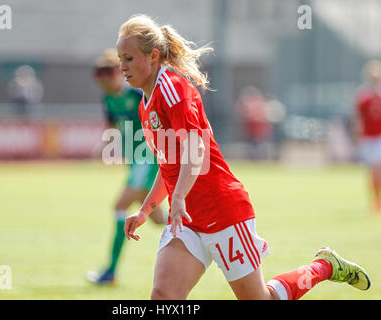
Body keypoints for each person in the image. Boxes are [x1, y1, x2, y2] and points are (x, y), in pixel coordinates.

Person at [118, 14, 370, 300]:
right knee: (163, 297)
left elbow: (196, 148)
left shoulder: (172, 88)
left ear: (152, 56)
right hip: (188, 219)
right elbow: (169, 166)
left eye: (128, 58)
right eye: (120, 58)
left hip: (222, 212)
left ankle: (323, 267)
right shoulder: (146, 104)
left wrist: (178, 198)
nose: (121, 66)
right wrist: (146, 210)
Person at [86, 48, 167, 284]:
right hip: (135, 161)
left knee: (120, 205)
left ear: (116, 76)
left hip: (149, 159)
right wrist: (105, 145)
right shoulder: (108, 99)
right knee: (157, 218)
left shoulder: (135, 95)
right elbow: (113, 126)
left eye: (106, 78)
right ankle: (195, 227)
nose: (103, 84)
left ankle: (111, 271)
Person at [354, 59, 381, 213]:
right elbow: (358, 117)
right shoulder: (363, 96)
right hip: (368, 137)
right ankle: (376, 200)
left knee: (377, 169)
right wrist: (357, 135)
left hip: (379, 136)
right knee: (372, 171)